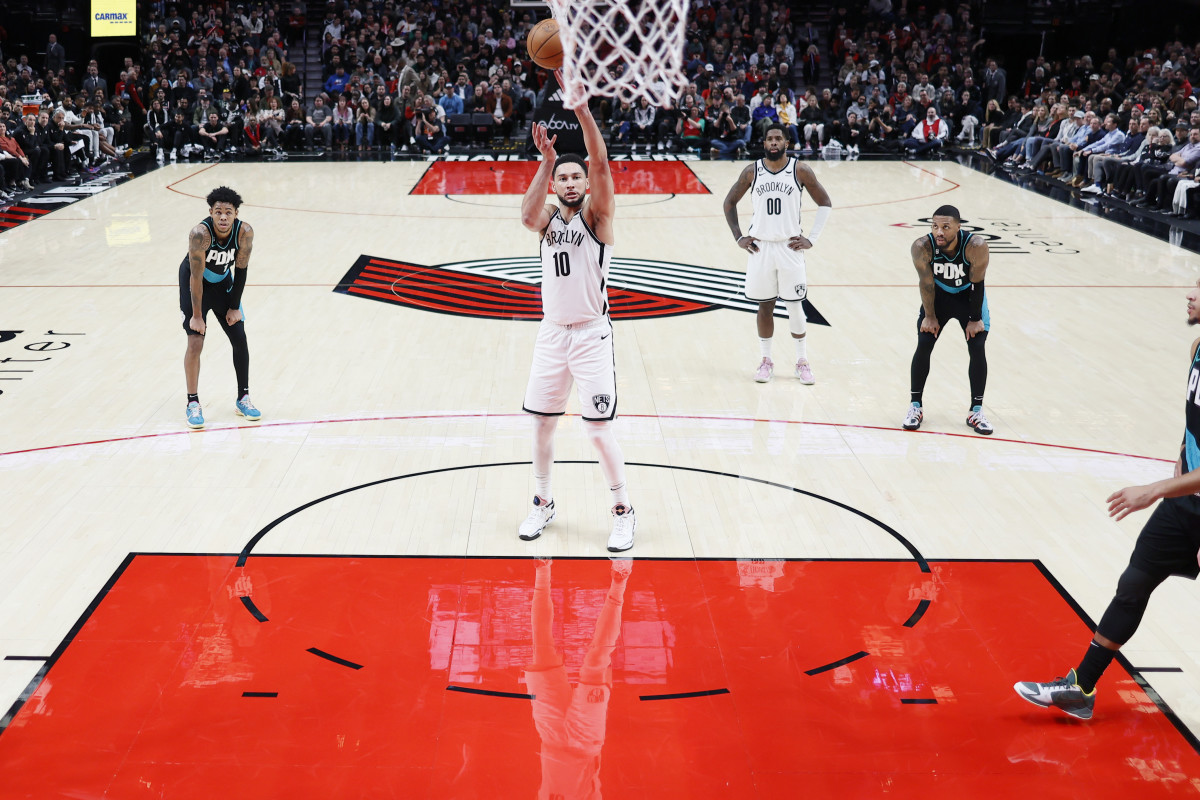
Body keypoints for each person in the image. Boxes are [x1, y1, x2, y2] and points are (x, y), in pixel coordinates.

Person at [1014, 279, 1200, 720]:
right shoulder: (1198, 345)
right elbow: (1192, 421)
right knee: (1135, 582)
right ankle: (1080, 689)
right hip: (1187, 500)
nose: (1191, 295)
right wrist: (1178, 462)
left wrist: (1153, 489)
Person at [517, 71, 636, 552]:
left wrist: (582, 109)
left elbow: (603, 165)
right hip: (551, 335)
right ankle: (543, 502)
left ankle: (623, 510)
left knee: (598, 431)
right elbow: (526, 215)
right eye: (562, 178)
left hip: (590, 335)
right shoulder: (546, 219)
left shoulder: (596, 216)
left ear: (585, 183)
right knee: (542, 425)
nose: (569, 182)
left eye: (574, 176)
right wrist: (544, 163)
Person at [722, 122, 833, 384]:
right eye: (769, 139)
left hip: (789, 247)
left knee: (795, 307)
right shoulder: (752, 171)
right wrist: (738, 236)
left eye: (778, 139)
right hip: (760, 248)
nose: (774, 142)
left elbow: (825, 203)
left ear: (786, 143)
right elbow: (728, 202)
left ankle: (802, 361)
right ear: (764, 143)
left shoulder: (800, 170)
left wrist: (811, 239)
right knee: (765, 306)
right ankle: (766, 360)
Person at [903, 205, 992, 434]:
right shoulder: (922, 246)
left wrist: (974, 318)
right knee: (924, 343)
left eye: (945, 227)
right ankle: (915, 407)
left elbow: (977, 284)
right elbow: (926, 283)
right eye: (934, 226)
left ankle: (976, 410)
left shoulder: (976, 246)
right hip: (938, 296)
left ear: (958, 227)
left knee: (977, 346)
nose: (939, 232)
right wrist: (930, 316)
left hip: (968, 297)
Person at [180, 186, 261, 429]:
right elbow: (195, 277)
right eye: (218, 212)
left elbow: (242, 269)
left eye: (228, 212)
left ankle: (243, 398)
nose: (223, 217)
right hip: (195, 283)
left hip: (223, 282)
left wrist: (234, 306)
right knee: (196, 341)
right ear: (210, 213)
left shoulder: (244, 232)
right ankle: (192, 402)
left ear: (236, 213)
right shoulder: (199, 234)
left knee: (239, 337)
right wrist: (197, 315)